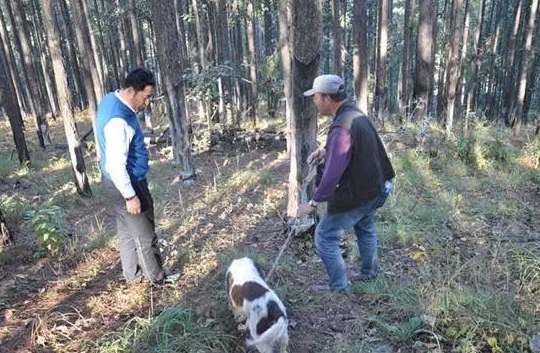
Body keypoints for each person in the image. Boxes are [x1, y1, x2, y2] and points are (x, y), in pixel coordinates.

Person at [296, 74, 395, 292]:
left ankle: (339, 287)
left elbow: (332, 174)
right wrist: (326, 151)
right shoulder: (353, 113)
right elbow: (351, 149)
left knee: (324, 237)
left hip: (361, 193)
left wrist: (313, 203)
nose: (314, 101)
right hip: (376, 188)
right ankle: (369, 274)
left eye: (316, 97)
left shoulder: (342, 126)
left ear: (327, 99)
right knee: (365, 227)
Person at [96, 68, 171, 284]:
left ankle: (132, 275)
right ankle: (157, 280)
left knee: (126, 231)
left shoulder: (110, 99)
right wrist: (131, 196)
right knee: (147, 236)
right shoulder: (119, 121)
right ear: (131, 90)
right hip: (127, 183)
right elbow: (117, 165)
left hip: (111, 181)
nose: (147, 102)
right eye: (146, 96)